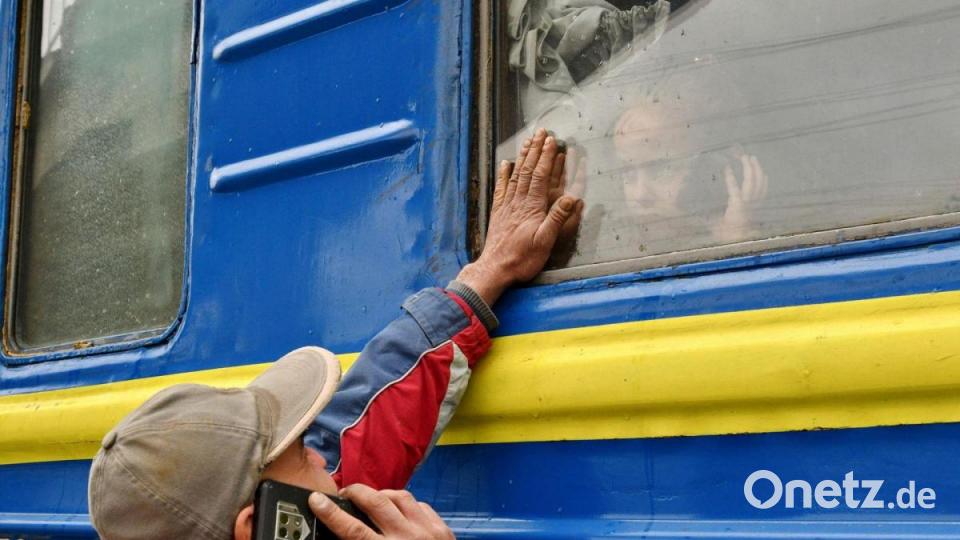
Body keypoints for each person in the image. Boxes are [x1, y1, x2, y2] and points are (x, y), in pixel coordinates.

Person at [87, 129, 583, 540]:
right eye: (303, 453)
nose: (325, 456)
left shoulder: (294, 509)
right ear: (265, 525)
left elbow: (361, 423)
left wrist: (489, 272)